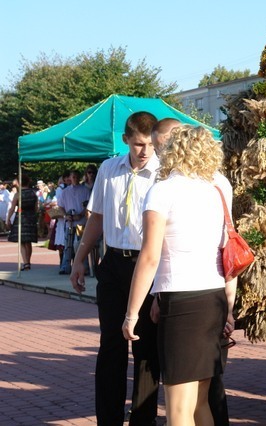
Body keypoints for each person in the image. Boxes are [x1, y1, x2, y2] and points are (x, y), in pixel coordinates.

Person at [122, 125, 236, 425]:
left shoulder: (163, 191)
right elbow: (227, 252)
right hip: (213, 297)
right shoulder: (216, 188)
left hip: (183, 302)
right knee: (200, 403)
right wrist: (229, 306)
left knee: (178, 410)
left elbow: (149, 257)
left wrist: (132, 314)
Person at [69, 111, 160, 425]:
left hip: (147, 266)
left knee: (146, 348)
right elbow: (96, 216)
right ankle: (108, 419)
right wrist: (79, 259)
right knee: (111, 344)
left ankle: (143, 419)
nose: (145, 151)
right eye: (138, 144)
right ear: (126, 140)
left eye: (150, 144)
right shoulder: (109, 169)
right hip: (113, 263)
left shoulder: (164, 172)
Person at [58, 170, 91, 274]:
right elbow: (60, 206)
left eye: (76, 177)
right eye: (73, 177)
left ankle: (84, 266)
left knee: (80, 244)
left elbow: (88, 206)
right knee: (68, 245)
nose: (75, 179)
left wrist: (80, 214)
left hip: (80, 222)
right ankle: (65, 266)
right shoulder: (65, 192)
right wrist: (66, 215)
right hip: (69, 222)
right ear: (70, 178)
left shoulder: (85, 190)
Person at [6, 175, 39, 270]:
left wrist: (8, 219)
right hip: (31, 217)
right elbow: (36, 208)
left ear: (20, 183)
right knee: (28, 241)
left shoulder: (18, 194)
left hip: (21, 217)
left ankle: (25, 263)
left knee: (22, 241)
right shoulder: (33, 193)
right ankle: (28, 261)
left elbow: (12, 208)